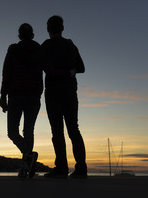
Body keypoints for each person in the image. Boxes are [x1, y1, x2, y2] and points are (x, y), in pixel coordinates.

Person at [41, 16, 87, 178]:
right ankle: (81, 168)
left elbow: (46, 68)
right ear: (62, 28)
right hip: (69, 92)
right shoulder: (70, 45)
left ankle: (61, 167)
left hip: (53, 92)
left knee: (57, 131)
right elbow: (81, 68)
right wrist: (70, 71)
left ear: (48, 29)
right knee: (74, 129)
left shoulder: (46, 46)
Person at [1, 23, 43, 178]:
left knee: (13, 131)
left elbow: (6, 73)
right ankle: (27, 165)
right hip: (33, 95)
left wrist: (2, 95)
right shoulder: (39, 50)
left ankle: (27, 161)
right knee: (28, 131)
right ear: (32, 35)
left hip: (16, 94)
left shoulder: (13, 50)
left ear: (19, 36)